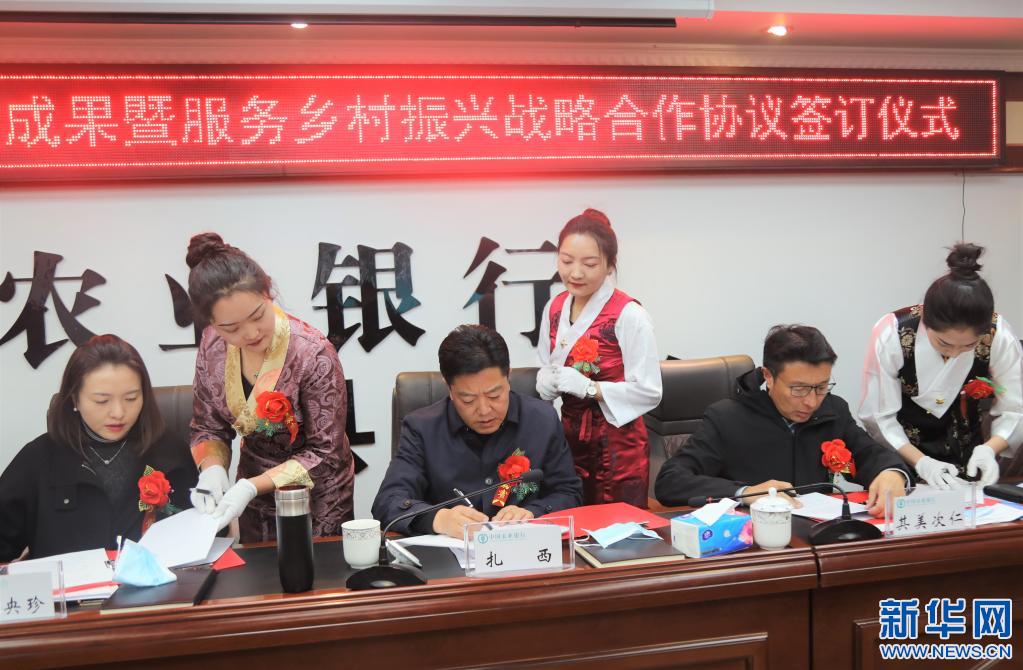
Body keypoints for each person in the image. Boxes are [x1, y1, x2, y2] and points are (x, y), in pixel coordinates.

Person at [187, 233, 354, 542]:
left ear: (268, 293)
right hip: (251, 500)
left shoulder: (312, 354)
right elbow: (207, 427)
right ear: (211, 324)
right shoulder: (212, 346)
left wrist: (253, 485)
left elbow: (325, 453)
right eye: (231, 328)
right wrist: (211, 469)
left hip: (317, 498)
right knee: (258, 570)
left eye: (257, 316)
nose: (250, 333)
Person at [655, 325, 909, 517]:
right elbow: (670, 481)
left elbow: (870, 454)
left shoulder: (834, 411)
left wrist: (891, 473)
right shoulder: (727, 418)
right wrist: (746, 493)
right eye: (799, 389)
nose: (811, 401)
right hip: (753, 542)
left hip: (818, 538)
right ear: (769, 376)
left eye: (821, 387)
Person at [373, 325, 583, 539]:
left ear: (508, 377)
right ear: (449, 387)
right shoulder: (422, 429)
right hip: (450, 556)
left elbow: (569, 493)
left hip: (524, 549)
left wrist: (533, 512)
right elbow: (388, 501)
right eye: (468, 400)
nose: (484, 410)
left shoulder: (542, 420)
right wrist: (437, 518)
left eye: (494, 396)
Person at [0, 335, 195, 561]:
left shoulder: (170, 452)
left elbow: (199, 537)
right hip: (68, 584)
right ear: (74, 399)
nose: (118, 413)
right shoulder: (39, 458)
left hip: (156, 583)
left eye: (131, 398)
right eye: (102, 401)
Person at [859, 243, 1023, 490]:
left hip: (968, 454)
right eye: (944, 343)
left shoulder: (998, 335)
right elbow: (878, 416)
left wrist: (989, 450)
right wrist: (922, 463)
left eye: (969, 345)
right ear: (926, 320)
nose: (954, 353)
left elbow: (1014, 408)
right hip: (901, 457)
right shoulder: (893, 332)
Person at [536, 208, 662, 508]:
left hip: (617, 447)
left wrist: (591, 388)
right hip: (568, 440)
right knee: (570, 517)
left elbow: (649, 391)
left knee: (617, 526)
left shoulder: (629, 315)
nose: (575, 273)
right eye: (566, 261)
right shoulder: (554, 307)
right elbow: (548, 362)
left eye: (589, 264)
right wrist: (545, 379)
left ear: (609, 264)